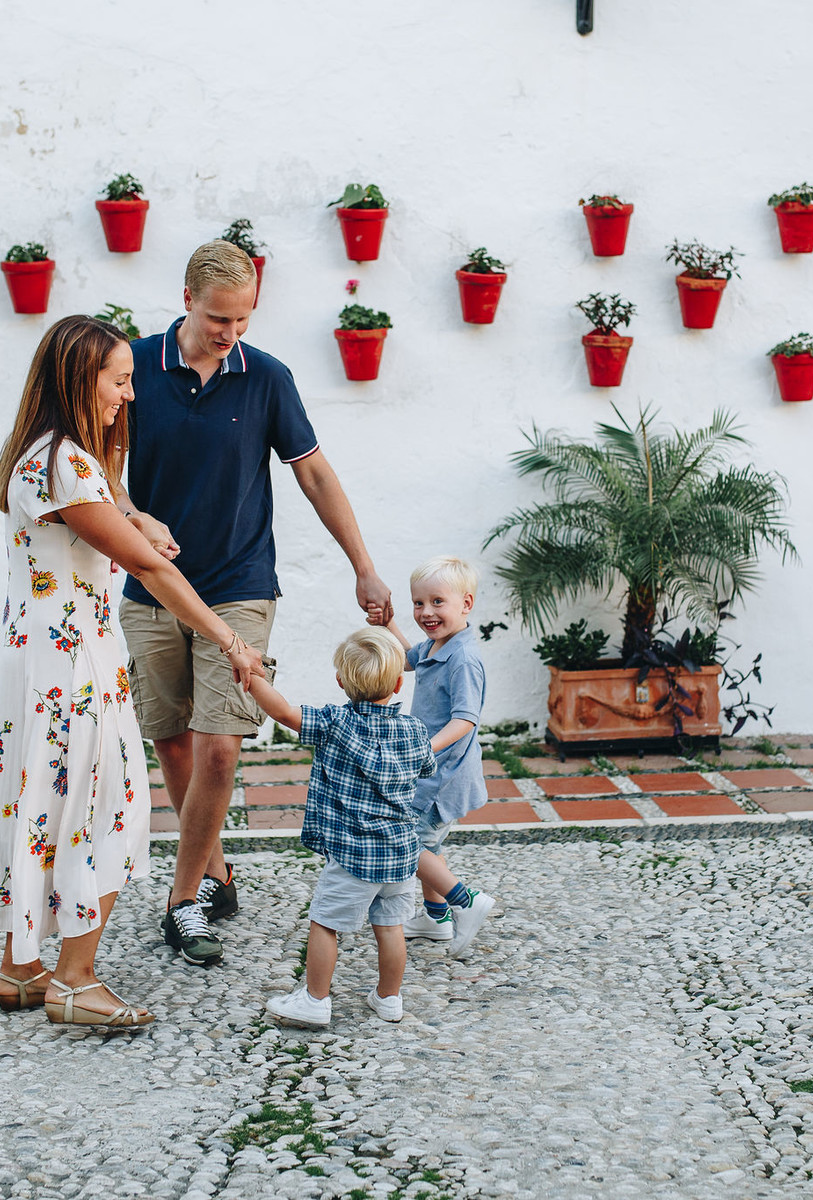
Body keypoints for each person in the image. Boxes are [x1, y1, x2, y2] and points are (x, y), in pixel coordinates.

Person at [0, 315, 265, 1027]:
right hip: (71, 665)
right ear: (79, 381)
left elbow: (113, 513)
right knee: (113, 811)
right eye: (120, 382)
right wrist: (225, 634)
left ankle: (21, 968)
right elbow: (143, 565)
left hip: (35, 658)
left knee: (39, 804)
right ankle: (75, 980)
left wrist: (137, 516)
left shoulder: (42, 453)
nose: (129, 396)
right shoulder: (68, 461)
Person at [116, 240, 392, 968]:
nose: (229, 334)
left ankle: (181, 903)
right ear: (186, 297)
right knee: (172, 739)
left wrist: (363, 567)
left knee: (219, 748)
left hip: (240, 585)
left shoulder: (267, 378)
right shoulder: (135, 366)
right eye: (217, 318)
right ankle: (216, 872)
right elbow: (95, 465)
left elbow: (316, 476)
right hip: (149, 585)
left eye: (242, 320)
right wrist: (135, 515)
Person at [247, 629, 436, 1028]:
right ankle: (389, 998)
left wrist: (254, 678)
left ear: (340, 682)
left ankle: (315, 1001)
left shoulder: (335, 724)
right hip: (401, 853)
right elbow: (426, 769)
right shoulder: (416, 732)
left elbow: (283, 713)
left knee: (325, 923)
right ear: (400, 682)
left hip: (354, 855)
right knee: (390, 926)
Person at [372, 556, 496, 956]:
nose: (426, 612)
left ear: (466, 604)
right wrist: (387, 624)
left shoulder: (463, 659)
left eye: (438, 602)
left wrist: (423, 748)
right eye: (419, 603)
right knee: (431, 844)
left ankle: (466, 901)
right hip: (428, 772)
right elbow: (408, 659)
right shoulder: (438, 645)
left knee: (408, 842)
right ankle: (434, 917)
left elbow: (465, 720)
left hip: (443, 776)